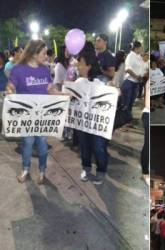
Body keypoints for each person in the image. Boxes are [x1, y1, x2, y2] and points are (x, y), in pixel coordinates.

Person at [6, 40, 61, 185]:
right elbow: (11, 85)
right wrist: (10, 91)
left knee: (42, 143)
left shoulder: (44, 69)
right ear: (34, 53)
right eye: (43, 53)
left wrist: (62, 95)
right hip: (26, 116)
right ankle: (25, 170)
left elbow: (50, 88)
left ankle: (42, 172)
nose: (46, 56)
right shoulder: (18, 69)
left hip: (42, 115)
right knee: (28, 143)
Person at [74, 42, 113, 185]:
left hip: (98, 123)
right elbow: (67, 95)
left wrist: (114, 90)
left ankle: (101, 171)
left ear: (89, 66)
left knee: (98, 147)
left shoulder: (101, 81)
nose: (77, 67)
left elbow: (113, 93)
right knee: (84, 146)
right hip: (83, 122)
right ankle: (86, 168)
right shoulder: (77, 82)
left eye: (80, 64)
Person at [120, 41, 143, 121]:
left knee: (130, 103)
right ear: (137, 48)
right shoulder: (130, 56)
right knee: (125, 103)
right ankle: (122, 122)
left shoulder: (139, 56)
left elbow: (140, 69)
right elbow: (128, 69)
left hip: (136, 83)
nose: (142, 49)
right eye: (141, 47)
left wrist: (140, 76)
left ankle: (127, 120)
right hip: (129, 82)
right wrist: (136, 76)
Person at [140, 80, 149, 185]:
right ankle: (145, 173)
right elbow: (147, 104)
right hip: (147, 113)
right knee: (147, 144)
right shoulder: (149, 82)